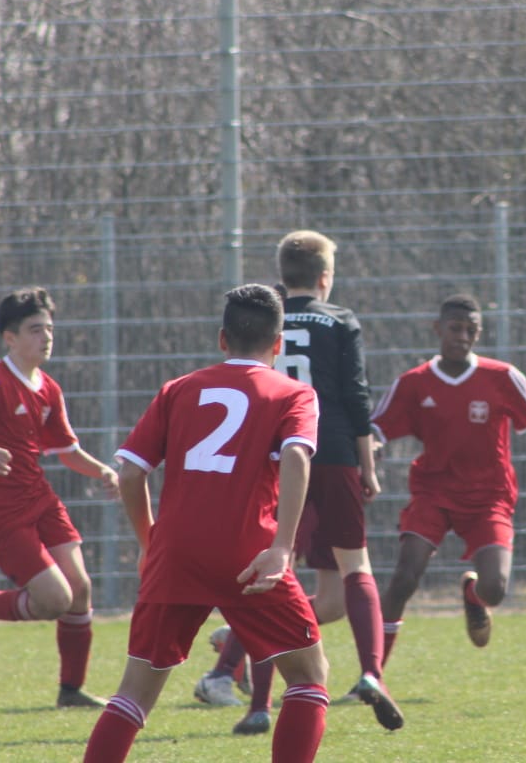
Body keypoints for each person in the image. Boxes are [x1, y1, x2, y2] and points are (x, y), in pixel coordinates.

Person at [82, 283, 329, 763]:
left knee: (134, 693)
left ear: (222, 339)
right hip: (249, 554)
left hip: (176, 554)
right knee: (308, 677)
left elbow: (130, 473)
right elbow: (297, 457)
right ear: (278, 344)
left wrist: (149, 542)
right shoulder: (294, 393)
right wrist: (282, 546)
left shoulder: (178, 390)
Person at [204, 231, 401, 734]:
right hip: (331, 450)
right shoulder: (339, 319)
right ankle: (372, 673)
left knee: (285, 576)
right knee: (356, 566)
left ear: (282, 273)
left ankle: (255, 699)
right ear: (325, 277)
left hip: (273, 453)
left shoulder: (268, 318)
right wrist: (367, 466)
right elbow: (356, 395)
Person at [372, 293, 526, 663]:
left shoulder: (501, 377)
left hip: (489, 497)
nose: (462, 337)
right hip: (433, 493)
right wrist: (372, 453)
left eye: (471, 330)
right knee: (404, 577)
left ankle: (473, 596)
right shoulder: (414, 383)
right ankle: (372, 674)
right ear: (438, 329)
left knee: (495, 588)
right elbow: (375, 428)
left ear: (479, 334)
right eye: (455, 328)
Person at [0, 286, 119, 708]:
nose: (47, 337)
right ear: (10, 338)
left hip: (39, 499)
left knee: (80, 588)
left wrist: (104, 470)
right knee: (55, 600)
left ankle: (71, 691)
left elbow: (67, 451)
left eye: (49, 329)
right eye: (36, 330)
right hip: (1, 512)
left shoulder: (48, 388)